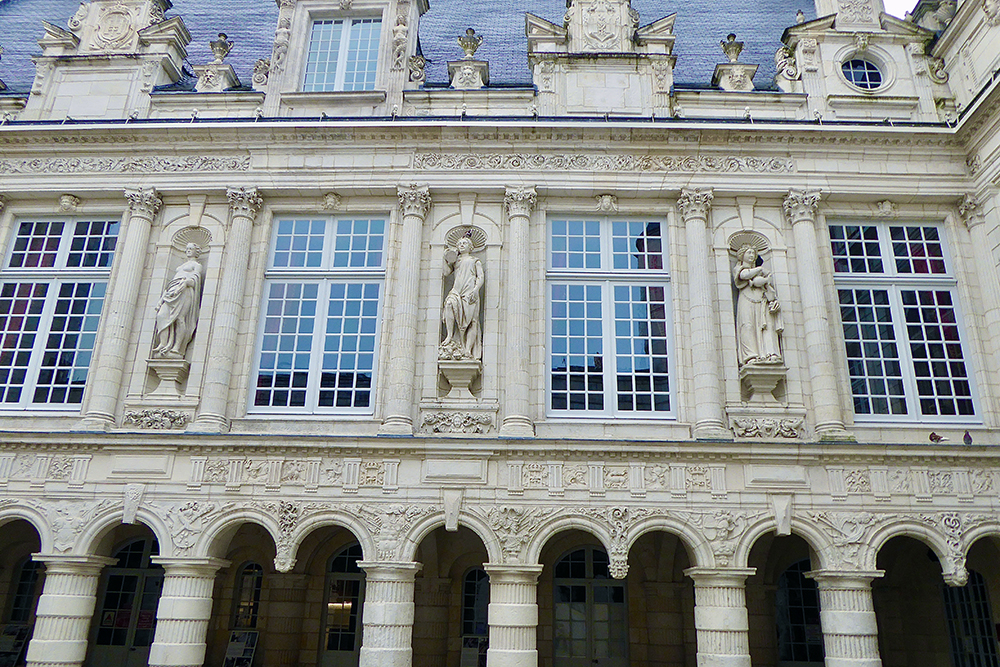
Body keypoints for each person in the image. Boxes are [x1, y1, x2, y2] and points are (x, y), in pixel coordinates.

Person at [733, 244, 783, 366]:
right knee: (747, 326)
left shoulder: (763, 273)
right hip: (746, 300)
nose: (751, 256)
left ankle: (770, 354)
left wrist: (773, 301)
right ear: (742, 255)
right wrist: (760, 271)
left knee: (766, 326)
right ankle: (750, 356)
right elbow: (743, 275)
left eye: (753, 253)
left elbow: (770, 290)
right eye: (748, 253)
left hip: (762, 301)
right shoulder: (739, 269)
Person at [153, 243, 204, 358]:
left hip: (185, 291)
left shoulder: (196, 265)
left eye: (191, 248)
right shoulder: (181, 266)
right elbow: (169, 285)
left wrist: (185, 283)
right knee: (161, 315)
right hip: (172, 291)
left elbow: (195, 279)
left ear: (197, 251)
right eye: (187, 249)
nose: (188, 251)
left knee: (180, 319)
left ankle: (177, 347)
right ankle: (163, 343)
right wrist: (161, 299)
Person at [440, 236, 484, 360]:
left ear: (471, 247)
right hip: (456, 291)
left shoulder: (475, 260)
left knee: (472, 321)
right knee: (449, 304)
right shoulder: (456, 261)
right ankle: (449, 336)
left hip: (470, 292)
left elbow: (480, 277)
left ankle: (468, 350)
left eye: (465, 243)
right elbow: (445, 273)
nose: (462, 245)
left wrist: (476, 290)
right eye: (460, 243)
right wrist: (445, 259)